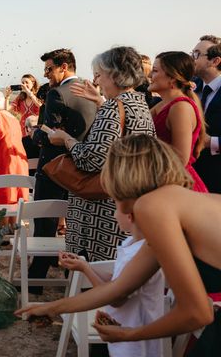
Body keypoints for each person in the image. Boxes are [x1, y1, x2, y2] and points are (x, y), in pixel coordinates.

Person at [16, 135, 221, 355]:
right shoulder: (180, 204)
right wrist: (50, 308)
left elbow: (198, 313)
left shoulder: (151, 206)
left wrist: (129, 334)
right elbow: (119, 288)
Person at [48, 46, 155, 262]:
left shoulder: (113, 108)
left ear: (115, 75)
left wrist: (66, 139)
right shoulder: (139, 103)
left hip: (100, 211)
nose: (96, 81)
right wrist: (100, 101)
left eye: (99, 74)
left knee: (95, 276)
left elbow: (91, 160)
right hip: (127, 198)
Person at [28, 49, 98, 293]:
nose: (46, 74)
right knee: (76, 224)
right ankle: (75, 276)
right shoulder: (91, 91)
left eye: (49, 69)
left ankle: (36, 279)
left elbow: (52, 135)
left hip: (55, 168)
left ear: (64, 67)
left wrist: (35, 133)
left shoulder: (58, 94)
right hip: (83, 167)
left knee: (45, 223)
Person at [57, 207, 165, 357]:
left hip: (135, 346)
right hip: (129, 332)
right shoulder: (134, 244)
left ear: (130, 216)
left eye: (116, 209)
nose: (113, 215)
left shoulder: (134, 256)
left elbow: (113, 297)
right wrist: (84, 266)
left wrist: (85, 269)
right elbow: (116, 283)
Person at [149, 51, 208, 192]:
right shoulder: (163, 104)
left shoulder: (180, 107)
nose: (150, 75)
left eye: (155, 71)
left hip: (178, 186)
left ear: (173, 78)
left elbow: (181, 159)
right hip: (164, 181)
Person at [192, 35, 221, 193]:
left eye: (197, 54)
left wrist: (211, 142)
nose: (192, 58)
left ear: (215, 61)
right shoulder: (191, 86)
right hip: (191, 176)